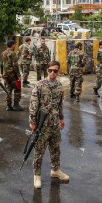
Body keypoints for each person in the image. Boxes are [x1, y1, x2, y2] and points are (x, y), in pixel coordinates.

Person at [29, 61, 69, 189]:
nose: (52, 73)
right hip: (42, 125)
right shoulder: (40, 85)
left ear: (58, 72)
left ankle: (55, 170)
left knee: (55, 148)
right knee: (39, 151)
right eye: (50, 70)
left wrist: (61, 119)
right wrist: (32, 122)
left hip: (54, 124)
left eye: (55, 71)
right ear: (47, 70)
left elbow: (60, 105)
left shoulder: (59, 86)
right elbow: (33, 105)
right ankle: (37, 175)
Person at [0, 40, 24, 111]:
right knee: (17, 89)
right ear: (12, 45)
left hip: (6, 75)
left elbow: (1, 64)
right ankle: (16, 105)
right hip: (13, 74)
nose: (15, 45)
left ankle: (8, 106)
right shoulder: (13, 53)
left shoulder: (3, 53)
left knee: (8, 89)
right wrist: (19, 75)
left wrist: (2, 73)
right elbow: (15, 65)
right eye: (14, 44)